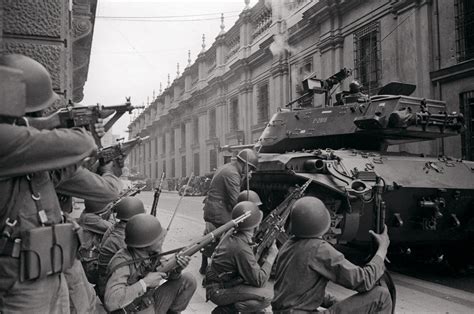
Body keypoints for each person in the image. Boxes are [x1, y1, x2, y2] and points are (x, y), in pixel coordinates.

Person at [0, 54, 96, 312]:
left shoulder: (21, 152)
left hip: (46, 267)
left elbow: (55, 172)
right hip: (19, 280)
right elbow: (81, 144)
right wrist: (69, 126)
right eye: (38, 110)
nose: (45, 112)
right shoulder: (7, 140)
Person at [272, 196, 392, 314]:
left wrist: (340, 303)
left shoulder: (287, 246)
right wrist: (382, 249)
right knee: (382, 296)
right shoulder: (319, 249)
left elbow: (300, 291)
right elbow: (363, 281)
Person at [105, 213, 197, 313]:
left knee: (188, 280)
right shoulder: (122, 261)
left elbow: (169, 276)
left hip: (146, 302)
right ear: (145, 244)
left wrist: (177, 269)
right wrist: (145, 283)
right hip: (131, 309)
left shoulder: (152, 253)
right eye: (158, 239)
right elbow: (111, 302)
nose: (162, 240)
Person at [205, 201, 278, 314]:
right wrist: (271, 257)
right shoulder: (241, 248)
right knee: (267, 296)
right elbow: (259, 280)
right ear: (257, 225)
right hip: (219, 291)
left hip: (220, 284)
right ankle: (226, 310)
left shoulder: (232, 232)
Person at [200, 148, 259, 274]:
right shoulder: (232, 174)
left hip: (213, 209)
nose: (251, 172)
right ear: (245, 164)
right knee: (226, 241)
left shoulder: (227, 167)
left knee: (209, 238)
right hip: (219, 212)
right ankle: (214, 272)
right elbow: (235, 201)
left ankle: (204, 266)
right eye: (251, 169)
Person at [96, 196, 146, 298]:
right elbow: (140, 263)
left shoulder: (115, 228)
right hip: (110, 288)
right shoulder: (123, 238)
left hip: (105, 279)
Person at [77, 199, 113, 283]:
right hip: (90, 264)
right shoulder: (90, 218)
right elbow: (112, 228)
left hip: (88, 260)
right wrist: (111, 213)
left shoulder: (87, 213)